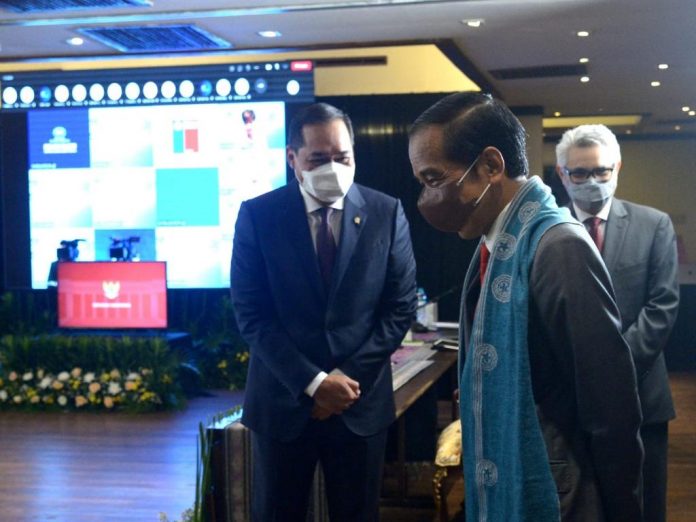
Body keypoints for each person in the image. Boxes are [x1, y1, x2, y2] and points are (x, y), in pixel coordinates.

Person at [408, 92, 643, 521]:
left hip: (557, 494)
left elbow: (610, 405)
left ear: (491, 167)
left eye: (434, 178)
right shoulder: (495, 242)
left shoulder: (557, 248)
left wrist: (623, 509)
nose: (427, 197)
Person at [230, 102, 417, 521]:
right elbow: (251, 313)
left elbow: (400, 306)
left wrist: (343, 383)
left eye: (342, 157)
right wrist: (313, 383)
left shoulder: (386, 212)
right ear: (293, 158)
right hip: (282, 400)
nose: (333, 168)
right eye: (319, 158)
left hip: (359, 403)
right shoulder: (259, 216)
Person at [556, 124, 680, 522]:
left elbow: (662, 305)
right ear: (562, 174)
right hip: (570, 399)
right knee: (583, 507)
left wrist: (612, 369)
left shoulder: (654, 224)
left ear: (617, 168)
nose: (592, 181)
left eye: (601, 171)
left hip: (642, 396)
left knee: (643, 507)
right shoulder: (548, 230)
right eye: (580, 173)